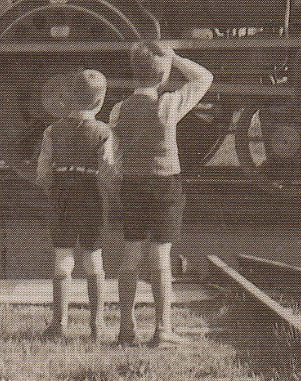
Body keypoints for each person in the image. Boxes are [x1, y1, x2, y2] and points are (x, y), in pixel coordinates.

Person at [108, 42, 213, 347]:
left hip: (132, 184)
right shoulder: (168, 105)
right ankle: (162, 329)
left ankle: (126, 329)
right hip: (166, 184)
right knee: (161, 257)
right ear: (164, 73)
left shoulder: (118, 110)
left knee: (131, 255)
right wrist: (176, 57)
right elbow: (204, 78)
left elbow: (114, 154)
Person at [34, 69, 116, 341]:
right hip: (92, 197)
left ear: (68, 98)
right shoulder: (105, 132)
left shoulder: (51, 131)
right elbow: (109, 170)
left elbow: (43, 173)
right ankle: (97, 323)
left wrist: (53, 189)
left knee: (62, 259)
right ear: (100, 101)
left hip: (62, 197)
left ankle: (59, 323)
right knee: (94, 259)